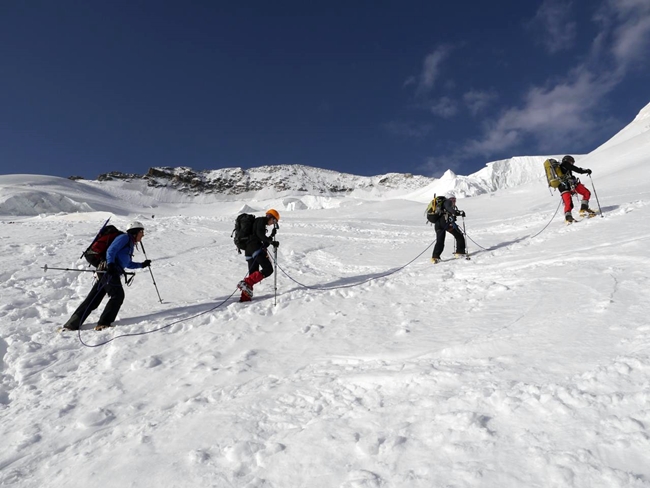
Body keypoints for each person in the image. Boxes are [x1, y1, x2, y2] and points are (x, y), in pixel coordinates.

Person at [62, 221, 151, 331]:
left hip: (108, 271)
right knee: (117, 295)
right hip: (108, 271)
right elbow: (111, 250)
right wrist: (111, 264)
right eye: (141, 231)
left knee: (93, 300)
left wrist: (142, 265)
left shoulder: (130, 244)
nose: (143, 234)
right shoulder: (124, 238)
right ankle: (103, 323)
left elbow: (127, 263)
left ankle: (71, 324)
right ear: (135, 232)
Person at [236, 209, 280, 302]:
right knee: (268, 270)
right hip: (255, 248)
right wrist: (271, 242)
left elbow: (263, 241)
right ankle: (246, 283)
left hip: (249, 251)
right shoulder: (260, 220)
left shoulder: (259, 223)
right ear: (270, 217)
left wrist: (271, 236)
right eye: (275, 220)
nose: (273, 223)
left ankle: (245, 298)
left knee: (253, 275)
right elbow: (260, 235)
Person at [428, 192, 467, 263]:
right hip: (446, 223)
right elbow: (450, 210)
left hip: (438, 225)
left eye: (454, 199)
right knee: (459, 235)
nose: (454, 201)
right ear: (448, 199)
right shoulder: (447, 202)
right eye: (452, 199)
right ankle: (460, 252)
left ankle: (435, 257)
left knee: (440, 241)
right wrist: (459, 213)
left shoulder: (442, 204)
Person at [558, 155, 596, 223]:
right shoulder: (565, 164)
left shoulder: (559, 168)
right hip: (571, 184)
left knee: (568, 203)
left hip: (562, 187)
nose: (572, 163)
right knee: (586, 193)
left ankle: (568, 217)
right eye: (572, 161)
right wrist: (586, 171)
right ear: (568, 160)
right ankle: (584, 209)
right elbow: (577, 169)